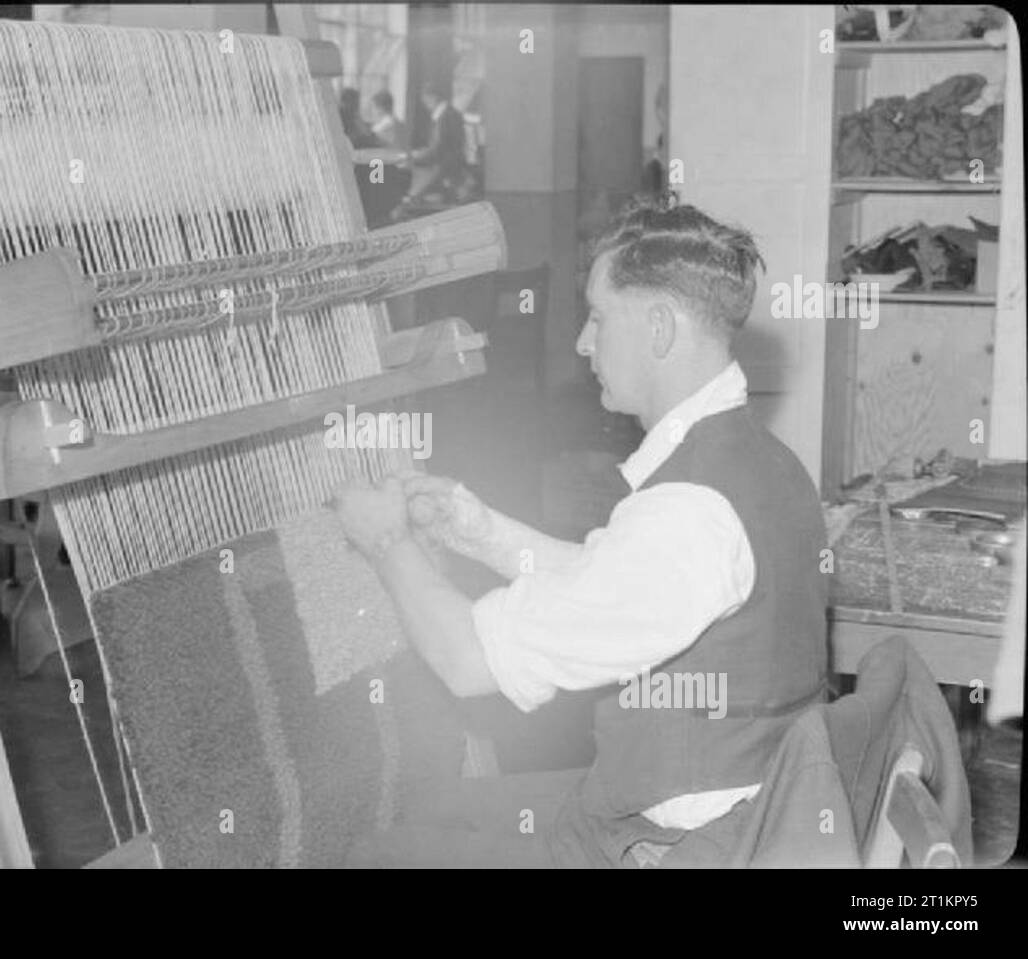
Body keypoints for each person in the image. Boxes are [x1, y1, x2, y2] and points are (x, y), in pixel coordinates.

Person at [333, 199, 830, 867]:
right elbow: (614, 580)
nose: (582, 343)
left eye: (598, 317)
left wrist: (386, 541)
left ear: (658, 327)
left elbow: (464, 660)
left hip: (685, 846)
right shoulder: (763, 462)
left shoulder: (688, 513)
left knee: (375, 854)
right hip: (729, 807)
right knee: (428, 811)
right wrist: (480, 533)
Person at [402, 80, 466, 203]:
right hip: (445, 167)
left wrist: (415, 156)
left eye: (425, 100)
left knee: (411, 196)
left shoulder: (446, 116)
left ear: (432, 97)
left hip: (444, 170)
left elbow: (438, 149)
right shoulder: (448, 114)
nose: (425, 104)